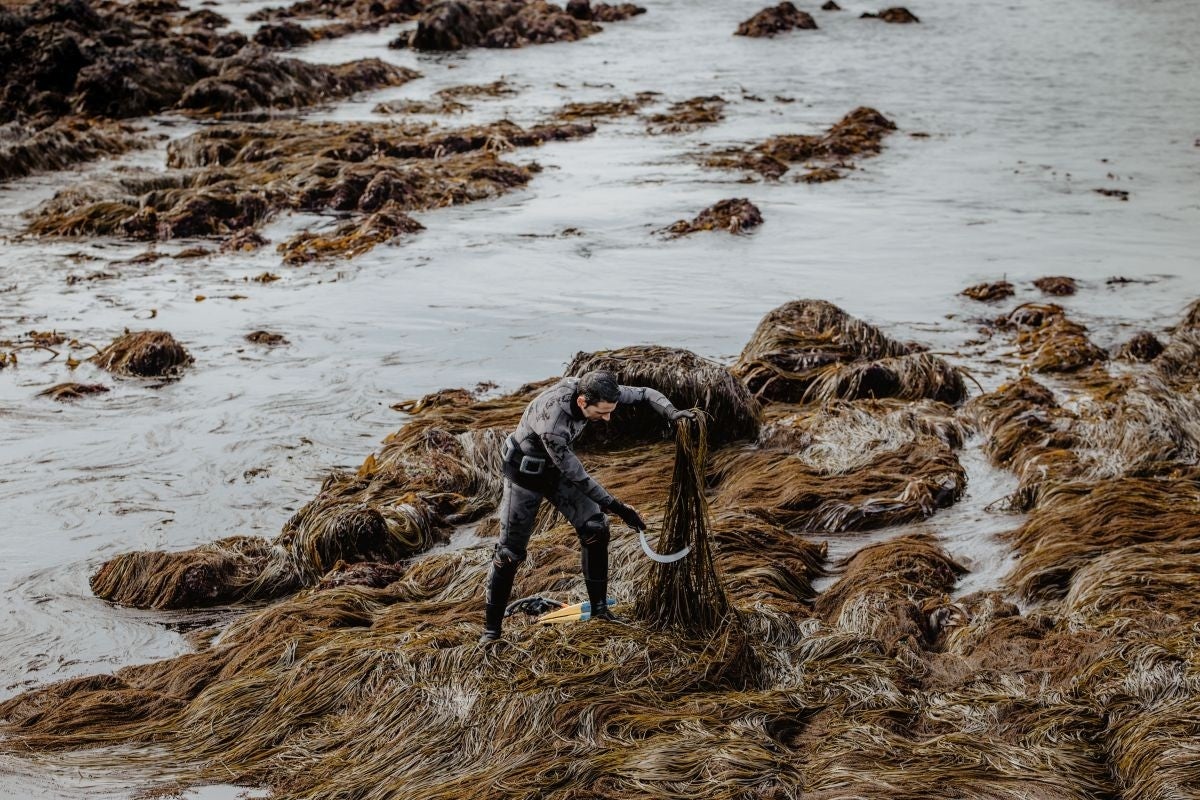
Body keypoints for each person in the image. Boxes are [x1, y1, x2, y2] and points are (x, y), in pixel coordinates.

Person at [481, 369, 694, 642]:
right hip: (525, 475)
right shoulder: (553, 424)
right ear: (582, 402)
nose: (607, 418)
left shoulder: (596, 391)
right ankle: (491, 633)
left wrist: (672, 412)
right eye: (602, 412)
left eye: (611, 410)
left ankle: (600, 610)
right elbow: (579, 477)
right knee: (509, 553)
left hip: (554, 471)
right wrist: (620, 508)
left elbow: (644, 394)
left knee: (595, 527)